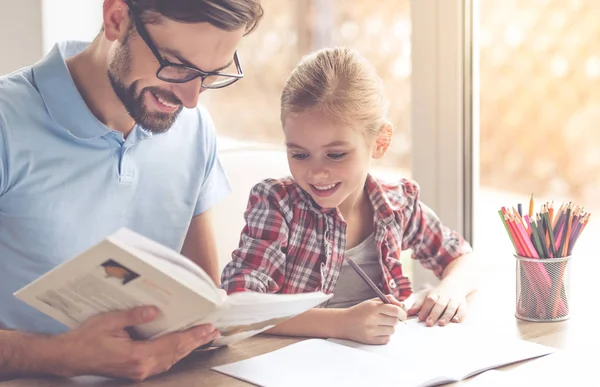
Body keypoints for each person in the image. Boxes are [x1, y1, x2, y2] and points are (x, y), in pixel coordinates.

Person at [0, 0, 263, 381]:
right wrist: (57, 355)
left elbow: (204, 306)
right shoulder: (8, 124)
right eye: (177, 66)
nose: (191, 99)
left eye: (210, 75)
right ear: (116, 18)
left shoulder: (193, 129)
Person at [220, 46, 479, 345]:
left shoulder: (396, 204)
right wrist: (342, 324)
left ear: (379, 142)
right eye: (300, 154)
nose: (317, 173)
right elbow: (240, 305)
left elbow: (462, 257)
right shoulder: (278, 204)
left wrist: (449, 289)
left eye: (336, 154)